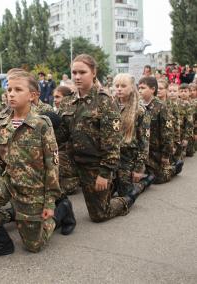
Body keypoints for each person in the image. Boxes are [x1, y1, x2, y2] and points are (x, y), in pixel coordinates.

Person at [0, 68, 75, 262]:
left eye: (17, 90)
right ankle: (2, 243)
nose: (11, 94)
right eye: (9, 89)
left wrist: (50, 201)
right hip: (8, 181)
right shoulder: (1, 124)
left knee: (34, 245)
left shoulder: (42, 124)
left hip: (33, 189)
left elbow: (52, 165)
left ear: (33, 96)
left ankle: (61, 210)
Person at [58, 54, 133, 222]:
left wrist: (105, 174)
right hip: (71, 160)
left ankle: (126, 198)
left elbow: (113, 143)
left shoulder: (104, 102)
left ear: (93, 73)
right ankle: (61, 208)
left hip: (94, 165)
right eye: (74, 72)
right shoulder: (67, 102)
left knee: (100, 214)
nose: (77, 76)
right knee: (44, 174)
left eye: (82, 72)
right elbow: (61, 137)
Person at [112, 74, 151, 197]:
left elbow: (144, 141)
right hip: (111, 154)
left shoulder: (140, 110)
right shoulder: (109, 106)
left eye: (123, 86)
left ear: (132, 88)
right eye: (117, 86)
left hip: (128, 156)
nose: (119, 89)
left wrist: (138, 168)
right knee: (103, 192)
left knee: (126, 193)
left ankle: (145, 182)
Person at [137, 77, 179, 187]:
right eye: (139, 88)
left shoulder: (161, 107)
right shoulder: (138, 106)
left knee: (157, 179)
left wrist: (166, 155)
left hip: (155, 151)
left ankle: (174, 167)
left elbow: (168, 133)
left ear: (152, 89)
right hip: (141, 150)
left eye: (143, 88)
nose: (140, 90)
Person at [178, 84, 194, 157]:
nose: (183, 93)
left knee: (189, 153)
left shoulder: (192, 104)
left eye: (185, 91)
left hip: (189, 131)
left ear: (189, 92)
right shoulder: (177, 103)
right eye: (181, 91)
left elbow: (190, 122)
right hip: (179, 130)